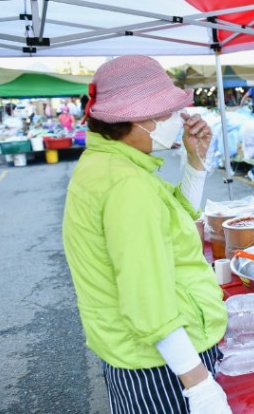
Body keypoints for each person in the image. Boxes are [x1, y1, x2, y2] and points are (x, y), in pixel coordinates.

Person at [62, 55, 231, 413]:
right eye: (167, 113)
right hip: (160, 365)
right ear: (137, 118)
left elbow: (175, 223)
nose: (176, 120)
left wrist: (196, 163)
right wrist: (199, 384)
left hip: (133, 353)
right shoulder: (126, 185)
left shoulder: (107, 165)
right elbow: (147, 299)